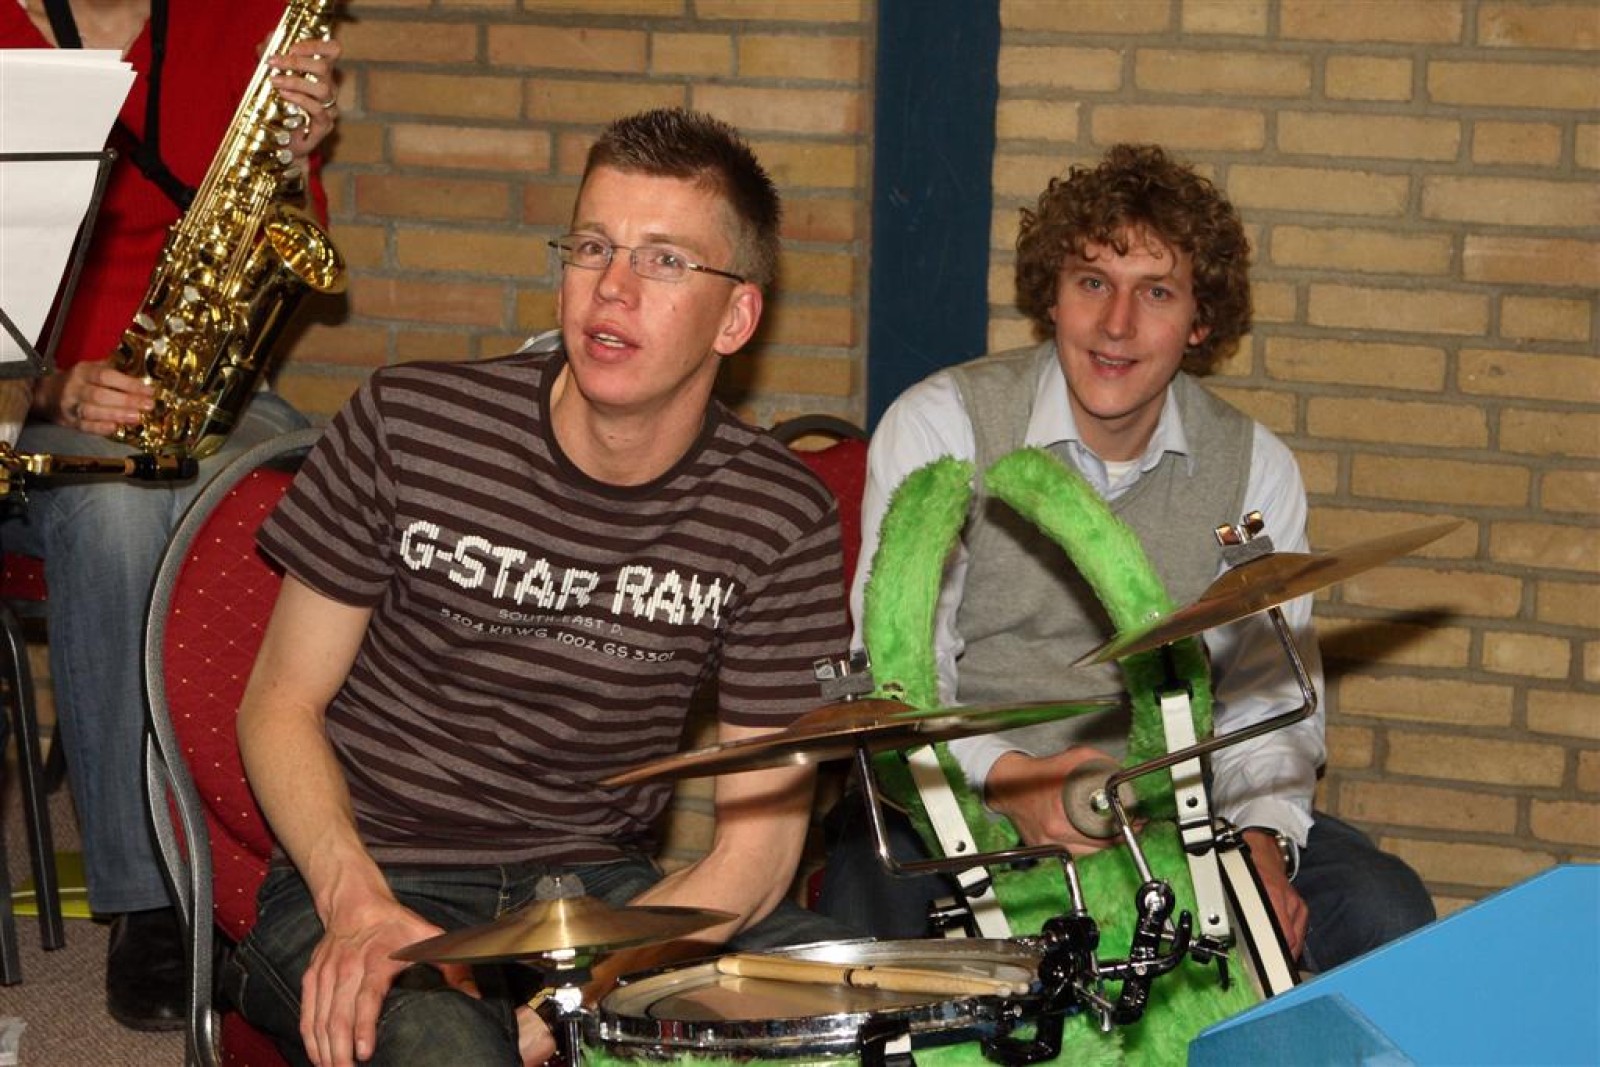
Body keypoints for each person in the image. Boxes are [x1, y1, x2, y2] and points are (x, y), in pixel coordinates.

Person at [227, 107, 853, 1067]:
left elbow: (756, 854)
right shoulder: (410, 422)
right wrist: (355, 903)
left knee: (843, 1001)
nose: (612, 287)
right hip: (377, 871)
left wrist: (582, 993)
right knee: (445, 1042)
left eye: (664, 260)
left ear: (737, 316)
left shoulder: (779, 513)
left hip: (596, 893)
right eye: (592, 246)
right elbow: (279, 702)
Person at [818, 143, 1435, 974]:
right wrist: (1011, 779)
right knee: (867, 935)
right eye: (1092, 283)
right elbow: (902, 677)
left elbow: (1265, 700)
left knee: (1384, 910)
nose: (1117, 325)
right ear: (1053, 296)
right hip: (960, 793)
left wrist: (1260, 838)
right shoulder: (941, 425)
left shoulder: (1255, 467)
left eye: (1156, 292)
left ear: (1200, 321)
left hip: (1169, 809)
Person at [0, 0, 341, 1032]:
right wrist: (55, 383)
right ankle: (151, 896)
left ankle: (290, 868)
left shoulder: (237, 18)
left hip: (205, 386)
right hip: (29, 406)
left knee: (319, 491)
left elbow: (294, 232)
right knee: (116, 515)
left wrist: (294, 153)